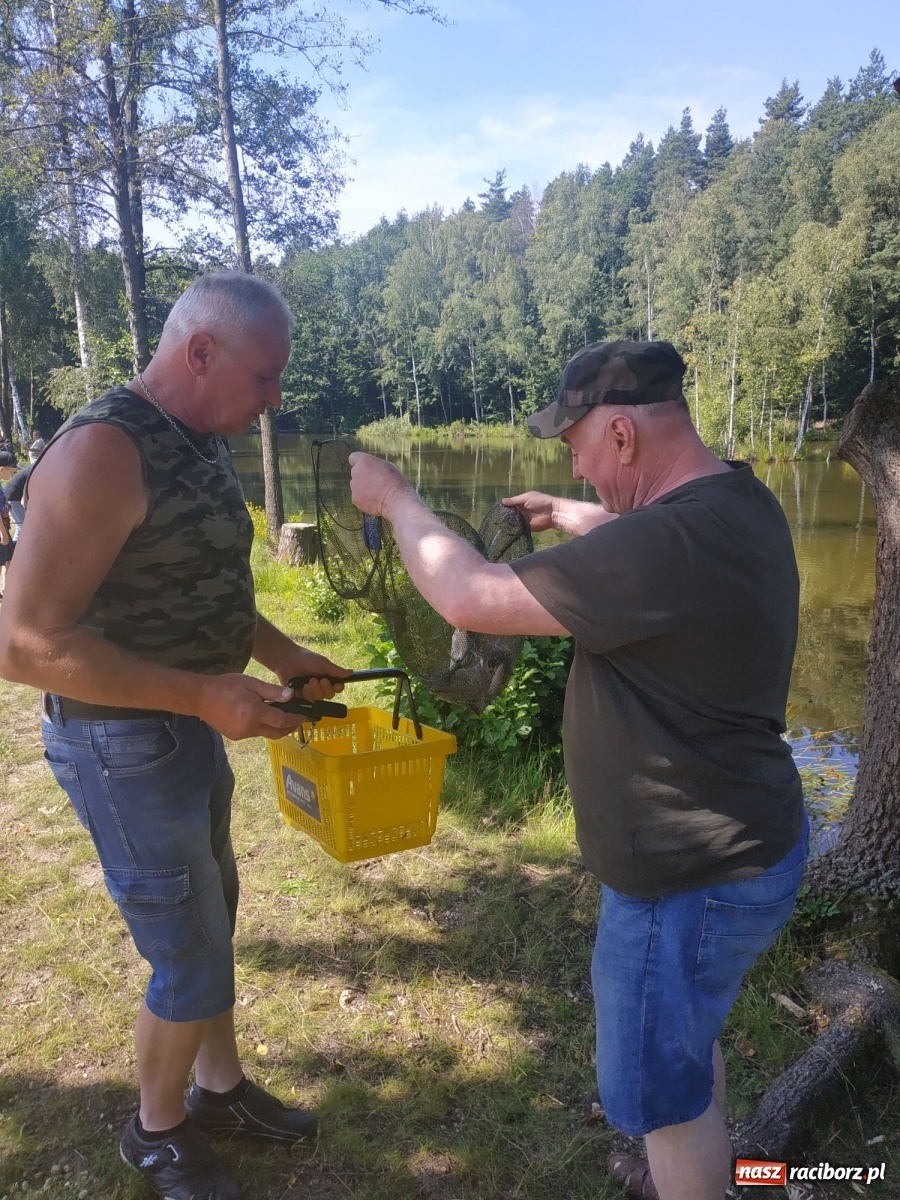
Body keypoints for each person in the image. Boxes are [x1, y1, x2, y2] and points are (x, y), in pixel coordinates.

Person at [348, 341, 807, 1200]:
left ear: (624, 435)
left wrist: (396, 498)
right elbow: (650, 539)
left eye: (578, 448)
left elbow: (470, 596)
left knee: (658, 1106)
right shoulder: (735, 503)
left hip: (684, 881)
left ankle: (688, 1174)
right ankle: (694, 1165)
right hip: (747, 848)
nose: (579, 464)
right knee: (685, 1040)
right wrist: (572, 512)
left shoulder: (668, 542)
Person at [0, 272, 351, 1200]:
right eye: (266, 376)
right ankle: (155, 1132)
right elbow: (24, 644)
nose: (276, 397)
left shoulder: (202, 437)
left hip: (183, 728)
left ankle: (219, 1089)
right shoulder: (103, 452)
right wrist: (200, 694)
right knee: (186, 948)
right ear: (201, 353)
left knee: (213, 916)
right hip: (121, 748)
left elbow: (204, 590)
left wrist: (285, 652)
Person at [0, 449, 16, 596]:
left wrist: (7, 506)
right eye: (11, 471)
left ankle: (5, 586)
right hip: (1, 529)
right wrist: (3, 533)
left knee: (8, 556)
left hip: (4, 525)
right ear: (2, 469)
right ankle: (4, 587)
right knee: (5, 557)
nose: (12, 475)